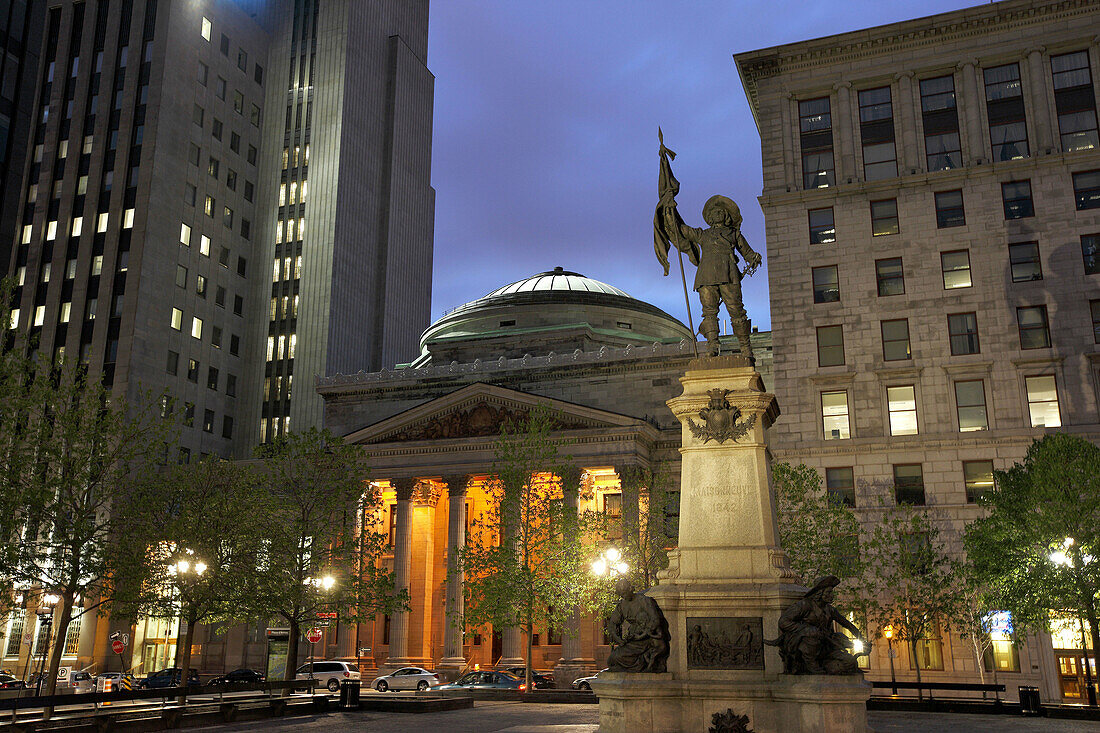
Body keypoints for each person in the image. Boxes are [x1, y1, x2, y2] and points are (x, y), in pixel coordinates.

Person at [660, 195, 761, 359]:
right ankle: (712, 346)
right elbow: (680, 229)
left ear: (727, 216)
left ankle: (745, 348)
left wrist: (754, 258)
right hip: (706, 276)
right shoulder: (702, 234)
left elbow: (747, 253)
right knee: (709, 313)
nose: (718, 213)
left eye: (721, 211)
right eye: (714, 212)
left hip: (729, 275)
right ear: (709, 217)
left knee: (737, 311)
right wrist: (669, 211)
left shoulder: (734, 234)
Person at [766, 575, 867, 675]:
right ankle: (810, 664)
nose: (832, 595)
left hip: (826, 645)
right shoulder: (804, 605)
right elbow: (783, 622)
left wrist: (862, 640)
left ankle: (827, 666)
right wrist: (806, 629)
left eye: (832, 592)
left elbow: (848, 625)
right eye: (828, 592)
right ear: (819, 593)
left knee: (849, 661)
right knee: (812, 635)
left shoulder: (830, 609)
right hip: (806, 644)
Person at [605, 578, 670, 673]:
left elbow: (655, 620)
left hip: (647, 638)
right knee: (612, 659)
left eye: (625, 593)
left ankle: (643, 661)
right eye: (621, 594)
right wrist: (619, 640)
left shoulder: (644, 601)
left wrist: (643, 633)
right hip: (633, 639)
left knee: (619, 658)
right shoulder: (622, 605)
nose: (624, 596)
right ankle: (640, 662)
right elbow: (613, 625)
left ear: (630, 589)